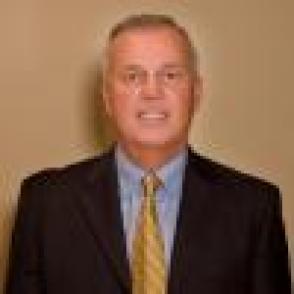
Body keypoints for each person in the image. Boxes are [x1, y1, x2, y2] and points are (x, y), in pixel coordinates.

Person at [6, 14, 291, 294]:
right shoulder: (45, 204)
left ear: (197, 93)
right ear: (106, 97)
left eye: (170, 75)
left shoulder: (254, 208)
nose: (152, 91)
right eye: (132, 76)